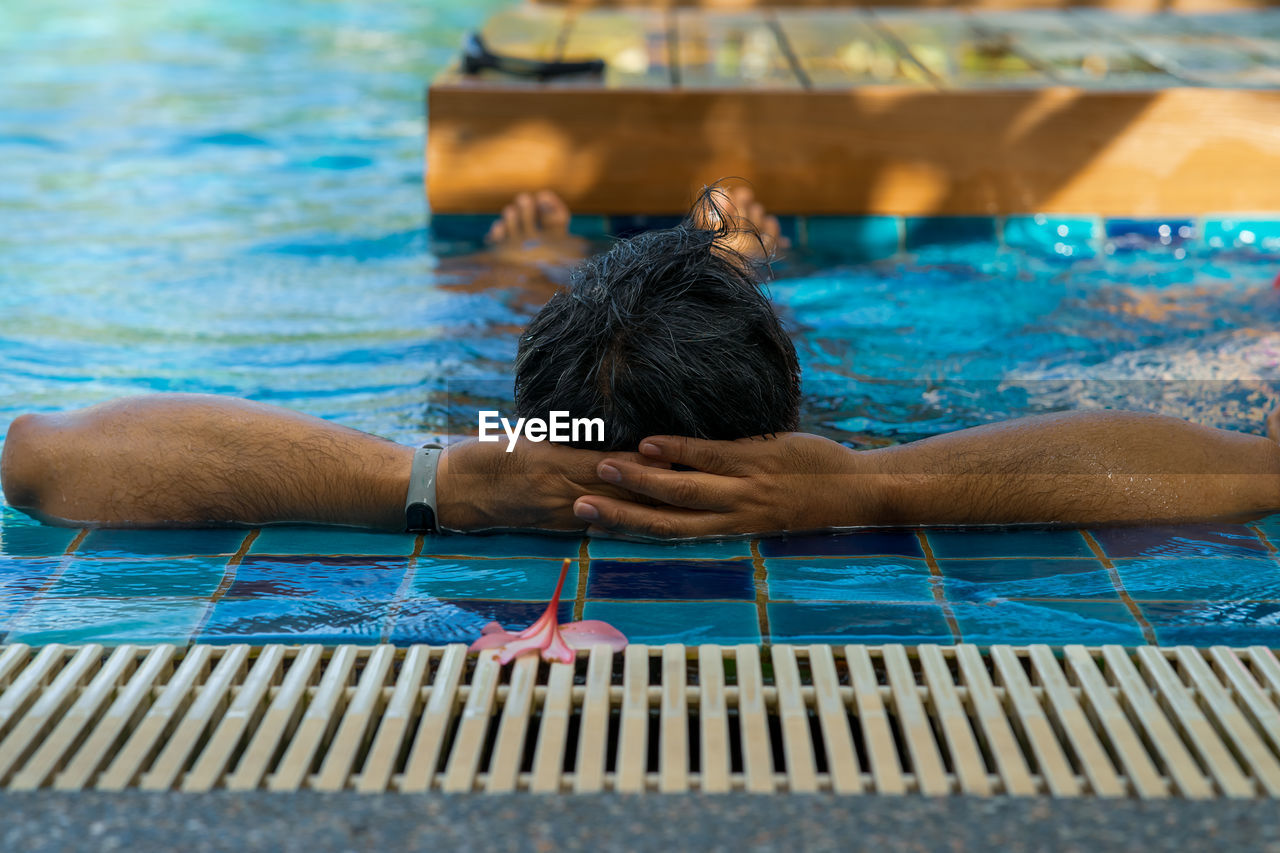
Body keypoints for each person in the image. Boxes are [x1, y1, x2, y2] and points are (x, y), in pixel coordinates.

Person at [3, 188, 1279, 537]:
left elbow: (45, 456)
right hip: (767, 407)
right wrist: (882, 488)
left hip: (567, 410)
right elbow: (1251, 468)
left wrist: (418, 477)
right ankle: (724, 262)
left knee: (494, 315)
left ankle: (588, 266)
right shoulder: (833, 452)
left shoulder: (528, 446)